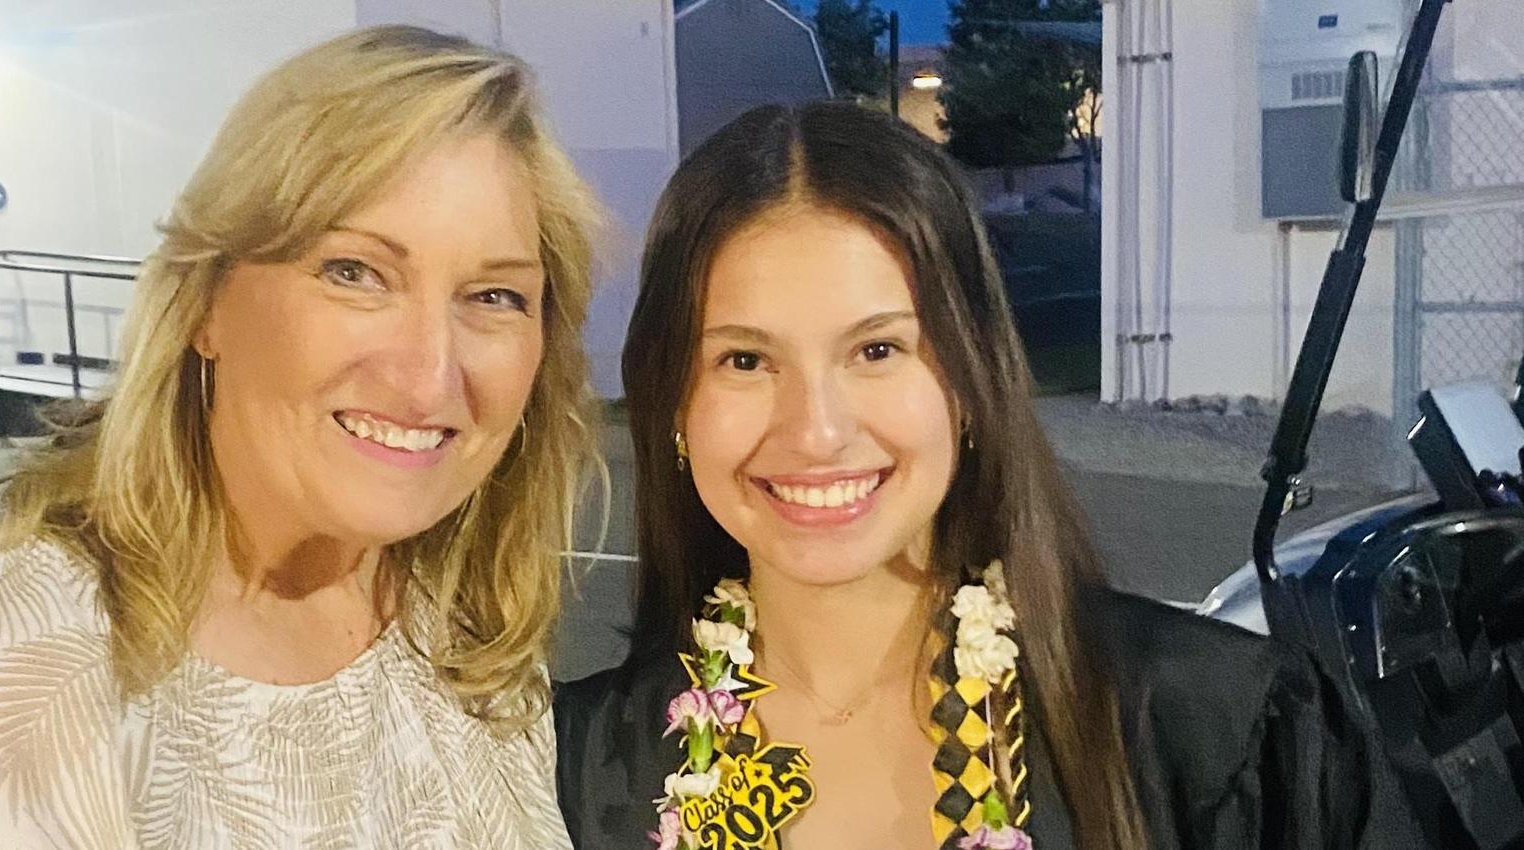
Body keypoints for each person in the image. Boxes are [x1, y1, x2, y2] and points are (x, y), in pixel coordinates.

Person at [0, 25, 602, 848]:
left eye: (494, 296)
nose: (430, 376)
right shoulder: (12, 676)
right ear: (206, 300)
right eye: (354, 273)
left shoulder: (462, 632)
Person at [554, 101, 1422, 850]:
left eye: (879, 349)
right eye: (744, 359)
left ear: (970, 383)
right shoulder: (577, 776)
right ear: (672, 400)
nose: (815, 430)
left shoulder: (1213, 732)